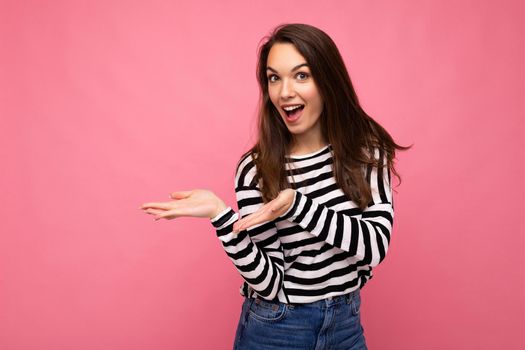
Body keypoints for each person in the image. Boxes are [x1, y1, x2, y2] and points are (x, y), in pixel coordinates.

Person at [141, 23, 410, 350]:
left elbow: (375, 247)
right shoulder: (256, 169)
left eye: (301, 75)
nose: (284, 92)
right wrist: (220, 216)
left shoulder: (367, 151)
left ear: (328, 81)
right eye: (274, 78)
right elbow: (270, 283)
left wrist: (298, 205)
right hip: (277, 329)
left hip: (345, 326)